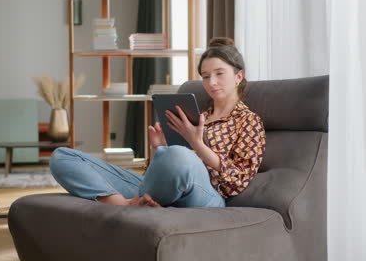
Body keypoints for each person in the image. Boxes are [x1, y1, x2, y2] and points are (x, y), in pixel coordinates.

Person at [49, 37, 266, 208]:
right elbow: (161, 171)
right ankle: (125, 205)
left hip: (207, 195)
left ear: (239, 76)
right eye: (205, 75)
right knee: (63, 156)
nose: (212, 82)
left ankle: (136, 202)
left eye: (219, 73)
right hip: (162, 186)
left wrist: (197, 144)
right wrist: (158, 149)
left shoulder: (249, 121)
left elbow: (239, 179)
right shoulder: (195, 115)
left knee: (179, 155)